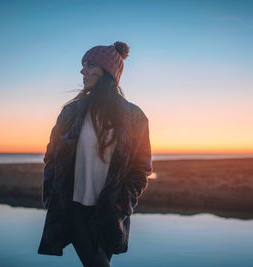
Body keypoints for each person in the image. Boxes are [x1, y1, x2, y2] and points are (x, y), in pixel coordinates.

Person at [37, 41, 153, 267]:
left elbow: (142, 169)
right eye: (83, 65)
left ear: (108, 71)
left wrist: (122, 205)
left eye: (89, 65)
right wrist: (52, 198)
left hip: (110, 211)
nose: (83, 71)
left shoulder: (135, 117)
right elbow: (51, 159)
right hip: (74, 208)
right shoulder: (70, 112)